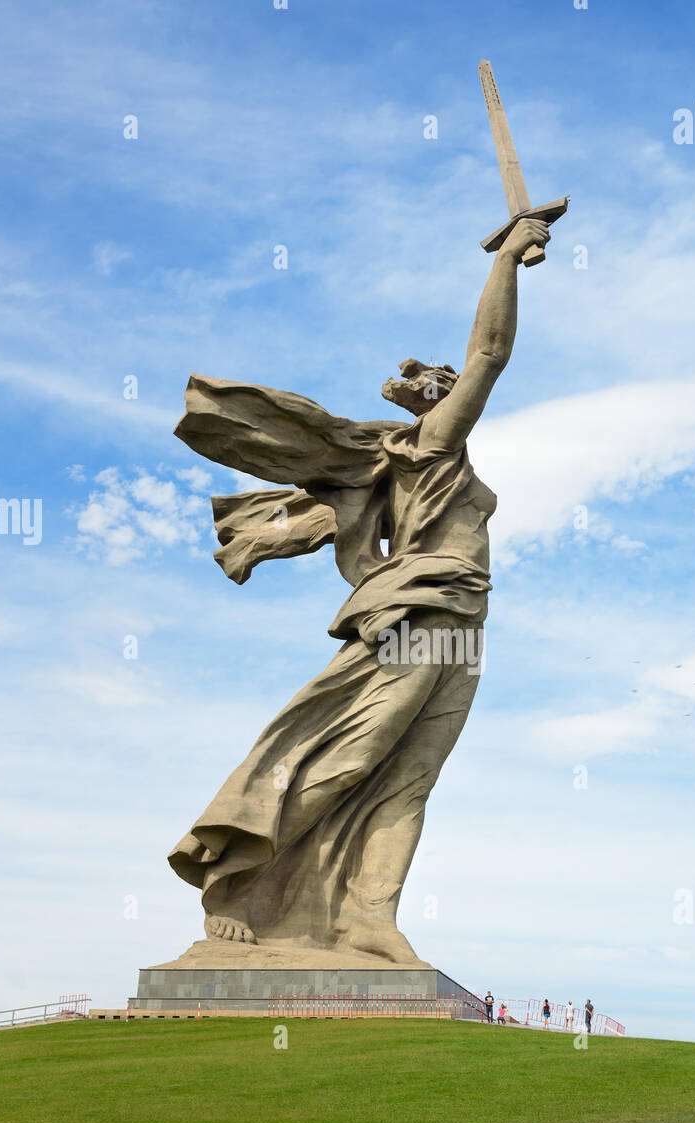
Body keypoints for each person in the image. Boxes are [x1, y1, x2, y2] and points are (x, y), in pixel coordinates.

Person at [168, 216, 552, 963]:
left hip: (463, 618)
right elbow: (492, 351)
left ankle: (368, 915)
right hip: (422, 611)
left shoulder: (441, 461)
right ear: (431, 400)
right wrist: (506, 259)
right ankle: (242, 881)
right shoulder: (429, 444)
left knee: (411, 777)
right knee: (351, 753)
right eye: (448, 389)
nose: (458, 394)